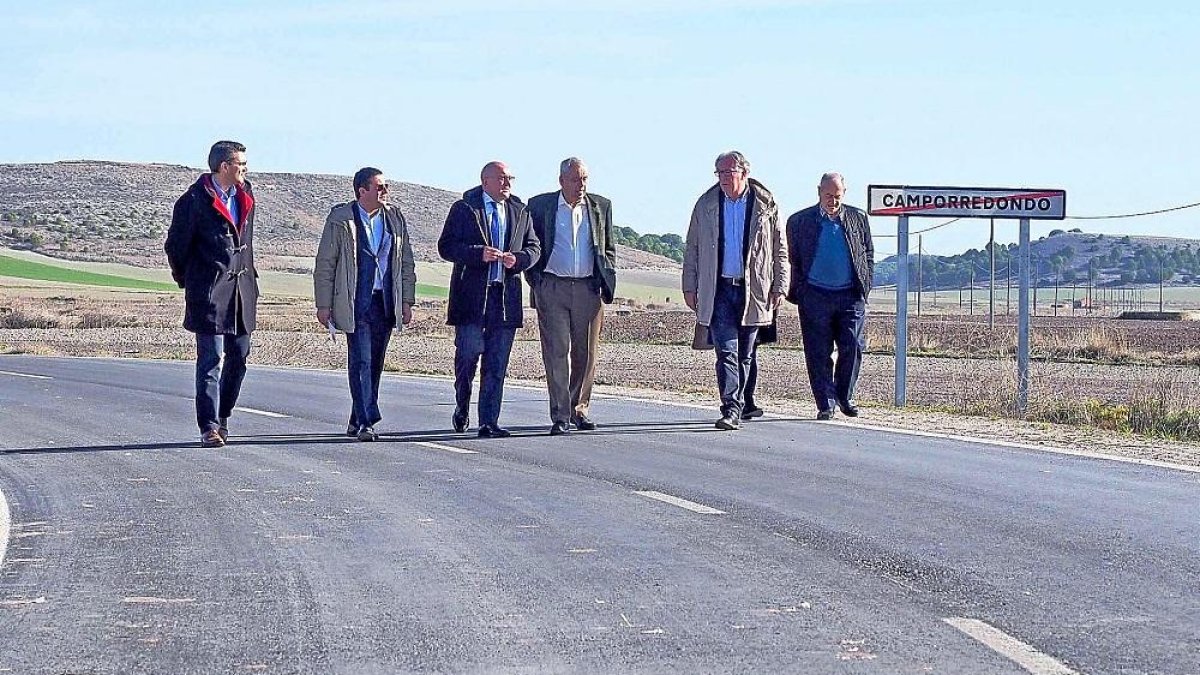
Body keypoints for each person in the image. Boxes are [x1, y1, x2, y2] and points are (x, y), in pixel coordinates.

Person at [683, 151, 788, 430]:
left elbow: (779, 249)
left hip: (753, 291)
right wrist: (689, 285)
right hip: (718, 290)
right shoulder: (706, 205)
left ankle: (740, 404)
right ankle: (730, 407)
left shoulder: (766, 205)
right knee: (725, 352)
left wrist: (780, 285)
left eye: (729, 173)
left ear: (744, 173)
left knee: (745, 354)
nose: (724, 178)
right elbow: (692, 247)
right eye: (719, 173)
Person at [165, 140, 259, 448]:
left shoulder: (247, 197)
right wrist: (191, 281)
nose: (245, 169)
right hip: (208, 293)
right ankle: (208, 427)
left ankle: (223, 414)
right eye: (240, 165)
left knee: (240, 357)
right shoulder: (192, 200)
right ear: (224, 167)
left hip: (242, 292)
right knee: (210, 360)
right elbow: (176, 247)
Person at [438, 161, 540, 438]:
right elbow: (445, 247)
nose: (507, 183)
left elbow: (534, 248)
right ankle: (462, 404)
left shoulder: (520, 211)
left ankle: (488, 421)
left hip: (504, 298)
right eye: (502, 178)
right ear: (486, 182)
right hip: (471, 299)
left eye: (510, 178)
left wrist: (518, 260)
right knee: (468, 355)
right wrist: (477, 253)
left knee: (496, 363)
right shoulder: (465, 208)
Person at [313, 168, 417, 441]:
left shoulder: (394, 218)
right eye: (379, 187)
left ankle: (356, 417)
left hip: (384, 300)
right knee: (360, 360)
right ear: (362, 190)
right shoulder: (341, 219)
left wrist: (407, 300)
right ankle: (366, 422)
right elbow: (325, 264)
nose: (385, 191)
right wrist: (323, 304)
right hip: (353, 300)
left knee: (375, 362)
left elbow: (405, 262)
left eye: (386, 186)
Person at [525, 158, 617, 436]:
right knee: (556, 351)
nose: (581, 185)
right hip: (552, 287)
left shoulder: (601, 206)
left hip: (589, 289)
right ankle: (560, 414)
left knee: (585, 353)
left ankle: (579, 409)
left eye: (585, 179)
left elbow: (608, 247)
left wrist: (606, 278)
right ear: (562, 180)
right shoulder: (540, 206)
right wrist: (536, 281)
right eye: (576, 180)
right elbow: (531, 244)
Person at [786, 172, 875, 420]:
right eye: (828, 196)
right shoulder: (799, 221)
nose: (832, 201)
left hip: (850, 295)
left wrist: (864, 286)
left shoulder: (858, 218)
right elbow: (793, 259)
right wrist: (801, 291)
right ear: (818, 192)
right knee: (818, 351)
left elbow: (867, 253)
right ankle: (826, 403)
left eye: (837, 196)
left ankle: (844, 396)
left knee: (853, 346)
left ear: (844, 194)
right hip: (814, 295)